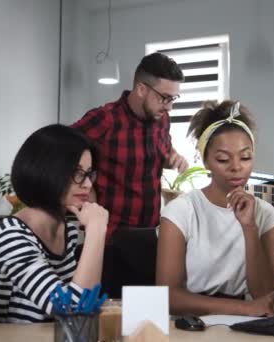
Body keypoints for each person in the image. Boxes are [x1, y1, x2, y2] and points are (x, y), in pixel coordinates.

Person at [156, 100, 274, 316]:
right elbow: (169, 297)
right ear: (206, 161)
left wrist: (249, 227)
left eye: (245, 157)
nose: (237, 167)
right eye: (223, 159)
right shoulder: (180, 211)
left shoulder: (265, 213)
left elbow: (266, 293)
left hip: (246, 325)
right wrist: (245, 309)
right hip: (192, 325)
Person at [72, 52, 189, 297]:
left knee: (147, 320)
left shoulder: (161, 119)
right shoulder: (105, 118)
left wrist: (172, 157)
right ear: (141, 89)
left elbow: (163, 147)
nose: (169, 107)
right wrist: (87, 187)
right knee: (109, 323)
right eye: (165, 98)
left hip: (149, 237)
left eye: (173, 99)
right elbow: (61, 149)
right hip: (111, 240)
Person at [0, 124, 108, 323]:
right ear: (46, 172)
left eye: (89, 174)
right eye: (77, 173)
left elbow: (82, 310)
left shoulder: (67, 231)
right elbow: (71, 310)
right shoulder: (10, 234)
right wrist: (96, 230)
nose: (88, 184)